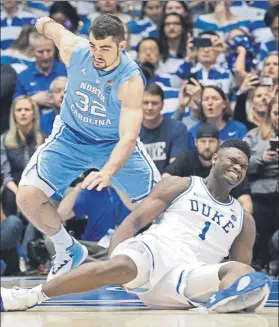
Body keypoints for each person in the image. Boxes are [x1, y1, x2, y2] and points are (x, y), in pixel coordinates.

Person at [1, 139, 272, 313]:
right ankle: (30, 296)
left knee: (244, 274)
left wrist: (239, 284)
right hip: (154, 251)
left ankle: (223, 304)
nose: (238, 168)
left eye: (244, 166)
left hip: (188, 274)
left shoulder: (244, 219)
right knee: (119, 267)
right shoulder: (182, 185)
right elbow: (135, 220)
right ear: (215, 159)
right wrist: (114, 254)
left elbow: (241, 266)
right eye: (233, 161)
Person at [15, 14, 160, 282]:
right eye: (94, 45)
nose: (97, 53)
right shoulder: (76, 50)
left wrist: (108, 172)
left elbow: (129, 136)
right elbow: (52, 28)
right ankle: (67, 249)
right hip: (70, 138)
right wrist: (40, 22)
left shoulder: (130, 79)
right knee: (26, 197)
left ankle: (167, 258)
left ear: (122, 46)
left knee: (159, 205)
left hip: (113, 143)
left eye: (105, 47)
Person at [163, 123, 253, 214]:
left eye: (211, 141)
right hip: (188, 208)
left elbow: (245, 200)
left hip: (222, 212)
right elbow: (166, 177)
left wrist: (239, 223)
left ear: (219, 142)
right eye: (203, 141)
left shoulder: (227, 164)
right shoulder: (186, 159)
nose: (207, 146)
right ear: (195, 142)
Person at [244, 96, 279, 271]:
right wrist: (261, 158)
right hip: (260, 191)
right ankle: (259, 259)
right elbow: (239, 163)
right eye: (276, 113)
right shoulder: (254, 136)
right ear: (269, 113)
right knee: (258, 213)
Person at [1, 96, 45, 217]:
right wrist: (18, 192)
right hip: (14, 186)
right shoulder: (4, 140)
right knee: (10, 197)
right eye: (19, 110)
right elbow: (6, 175)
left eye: (27, 109)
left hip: (37, 187)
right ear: (13, 115)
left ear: (34, 114)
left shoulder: (44, 139)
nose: (23, 113)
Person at [139, 83, 188, 173]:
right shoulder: (129, 131)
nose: (149, 108)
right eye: (145, 103)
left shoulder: (177, 128)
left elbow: (176, 166)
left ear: (162, 105)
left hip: (168, 183)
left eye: (154, 103)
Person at [13, 32, 67, 110]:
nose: (45, 56)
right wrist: (32, 100)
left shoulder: (66, 71)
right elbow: (15, 106)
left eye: (49, 51)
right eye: (40, 52)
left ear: (55, 49)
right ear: (32, 52)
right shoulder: (24, 76)